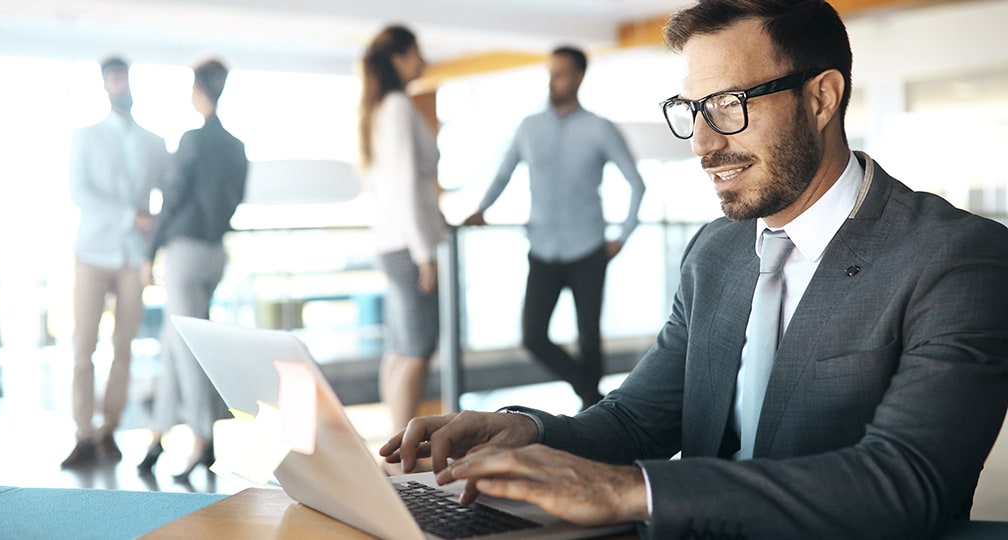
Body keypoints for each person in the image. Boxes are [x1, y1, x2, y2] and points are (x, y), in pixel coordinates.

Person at [381, 1, 1008, 538]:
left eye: (730, 105)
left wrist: (632, 492)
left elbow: (904, 483)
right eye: (692, 109)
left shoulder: (960, 259)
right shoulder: (716, 251)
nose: (705, 144)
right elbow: (638, 419)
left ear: (822, 97)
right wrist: (524, 430)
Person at [463, 46, 646, 410]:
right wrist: (481, 209)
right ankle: (593, 396)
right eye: (550, 73)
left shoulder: (599, 128)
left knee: (589, 339)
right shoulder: (528, 127)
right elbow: (504, 173)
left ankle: (595, 417)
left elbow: (636, 184)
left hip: (588, 249)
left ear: (578, 76)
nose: (552, 80)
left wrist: (622, 236)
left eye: (560, 73)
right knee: (533, 337)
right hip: (543, 249)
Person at [136, 58, 248, 480]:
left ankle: (204, 438)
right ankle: (157, 436)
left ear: (199, 90)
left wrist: (150, 251)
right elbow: (235, 199)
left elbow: (174, 197)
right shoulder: (237, 146)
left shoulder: (192, 140)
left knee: (187, 348)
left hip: (184, 252)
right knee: (173, 340)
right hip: (216, 252)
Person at [63, 56, 169, 468]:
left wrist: (156, 228)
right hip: (92, 253)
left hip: (132, 259)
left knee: (122, 347)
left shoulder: (154, 142)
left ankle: (108, 430)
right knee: (82, 347)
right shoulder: (85, 137)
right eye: (113, 78)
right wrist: (131, 216)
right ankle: (83, 434)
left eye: (125, 76)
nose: (120, 84)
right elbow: (79, 192)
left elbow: (169, 192)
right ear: (105, 85)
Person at [357, 25, 446, 433]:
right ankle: (399, 451)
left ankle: (393, 447)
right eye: (415, 53)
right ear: (398, 58)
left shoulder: (380, 108)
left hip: (394, 243)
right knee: (416, 349)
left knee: (400, 348)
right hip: (410, 247)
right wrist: (425, 253)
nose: (422, 61)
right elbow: (407, 183)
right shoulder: (396, 106)